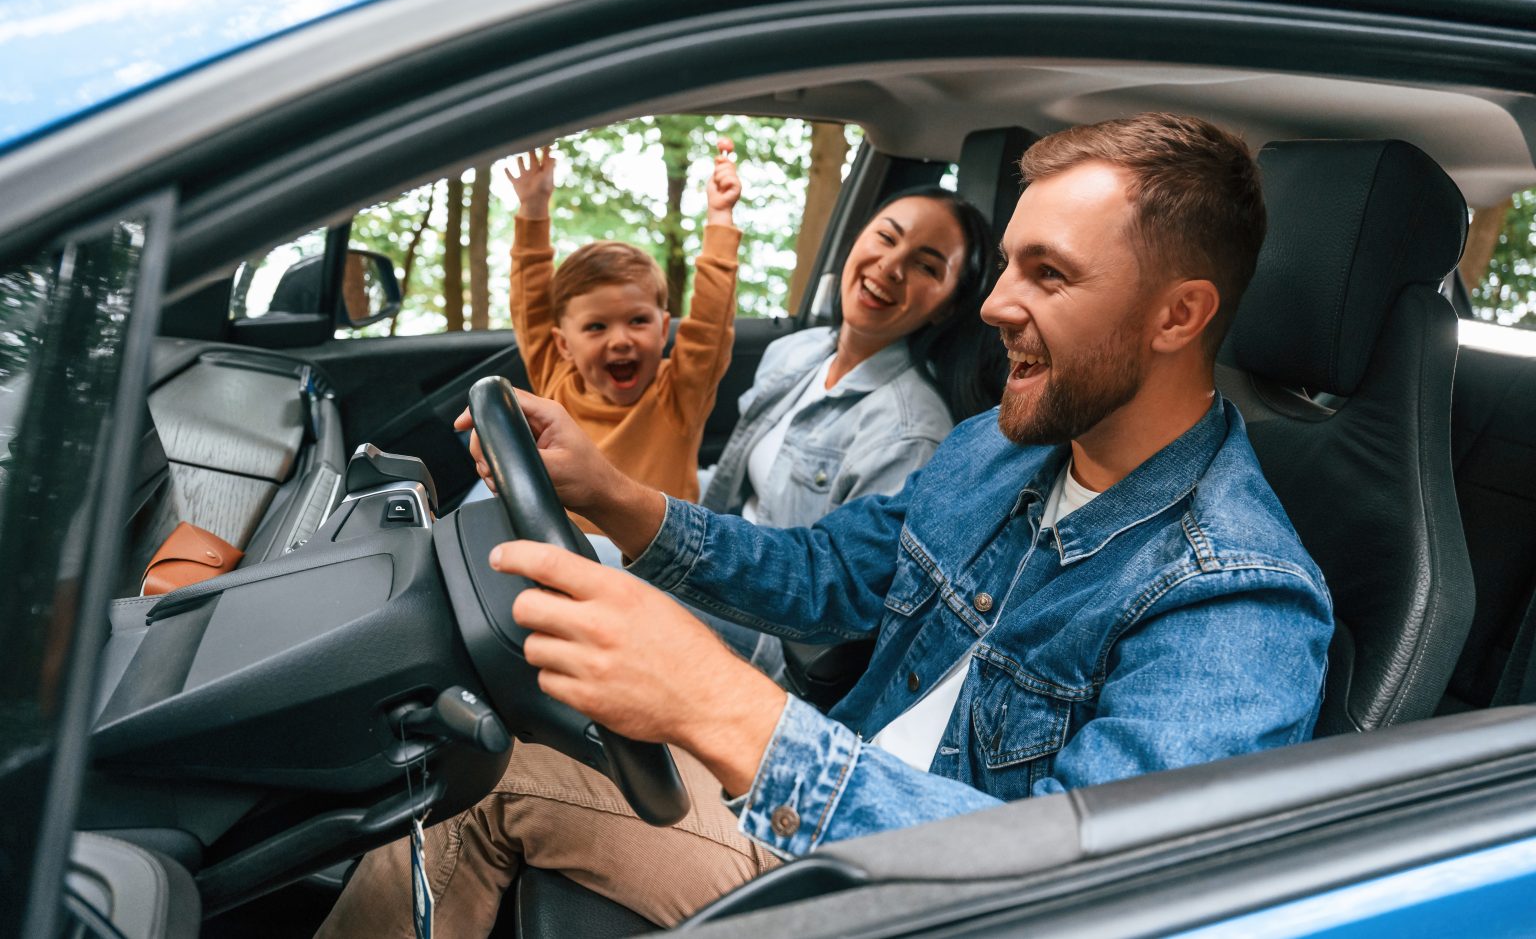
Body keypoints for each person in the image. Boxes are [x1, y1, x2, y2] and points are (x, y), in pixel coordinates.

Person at [318, 113, 1333, 937]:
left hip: (908, 902)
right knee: (474, 762)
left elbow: (1089, 895)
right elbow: (823, 571)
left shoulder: (1236, 594)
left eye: (1049, 274)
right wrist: (614, 497)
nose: (994, 305)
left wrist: (727, 709)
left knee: (499, 782)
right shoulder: (1000, 448)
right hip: (827, 825)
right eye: (1009, 264)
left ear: (1177, 315)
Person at [695, 185, 998, 667]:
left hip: (776, 638)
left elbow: (835, 609)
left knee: (570, 572)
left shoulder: (910, 432)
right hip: (725, 562)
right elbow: (740, 487)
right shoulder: (798, 352)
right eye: (886, 237)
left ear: (945, 306)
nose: (891, 266)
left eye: (926, 265)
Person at [504, 141, 741, 527]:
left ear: (664, 328)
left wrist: (720, 219)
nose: (620, 340)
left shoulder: (679, 392)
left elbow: (711, 324)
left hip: (654, 566)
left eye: (638, 321)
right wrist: (532, 209)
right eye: (596, 327)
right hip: (567, 553)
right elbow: (530, 305)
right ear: (563, 344)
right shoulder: (556, 379)